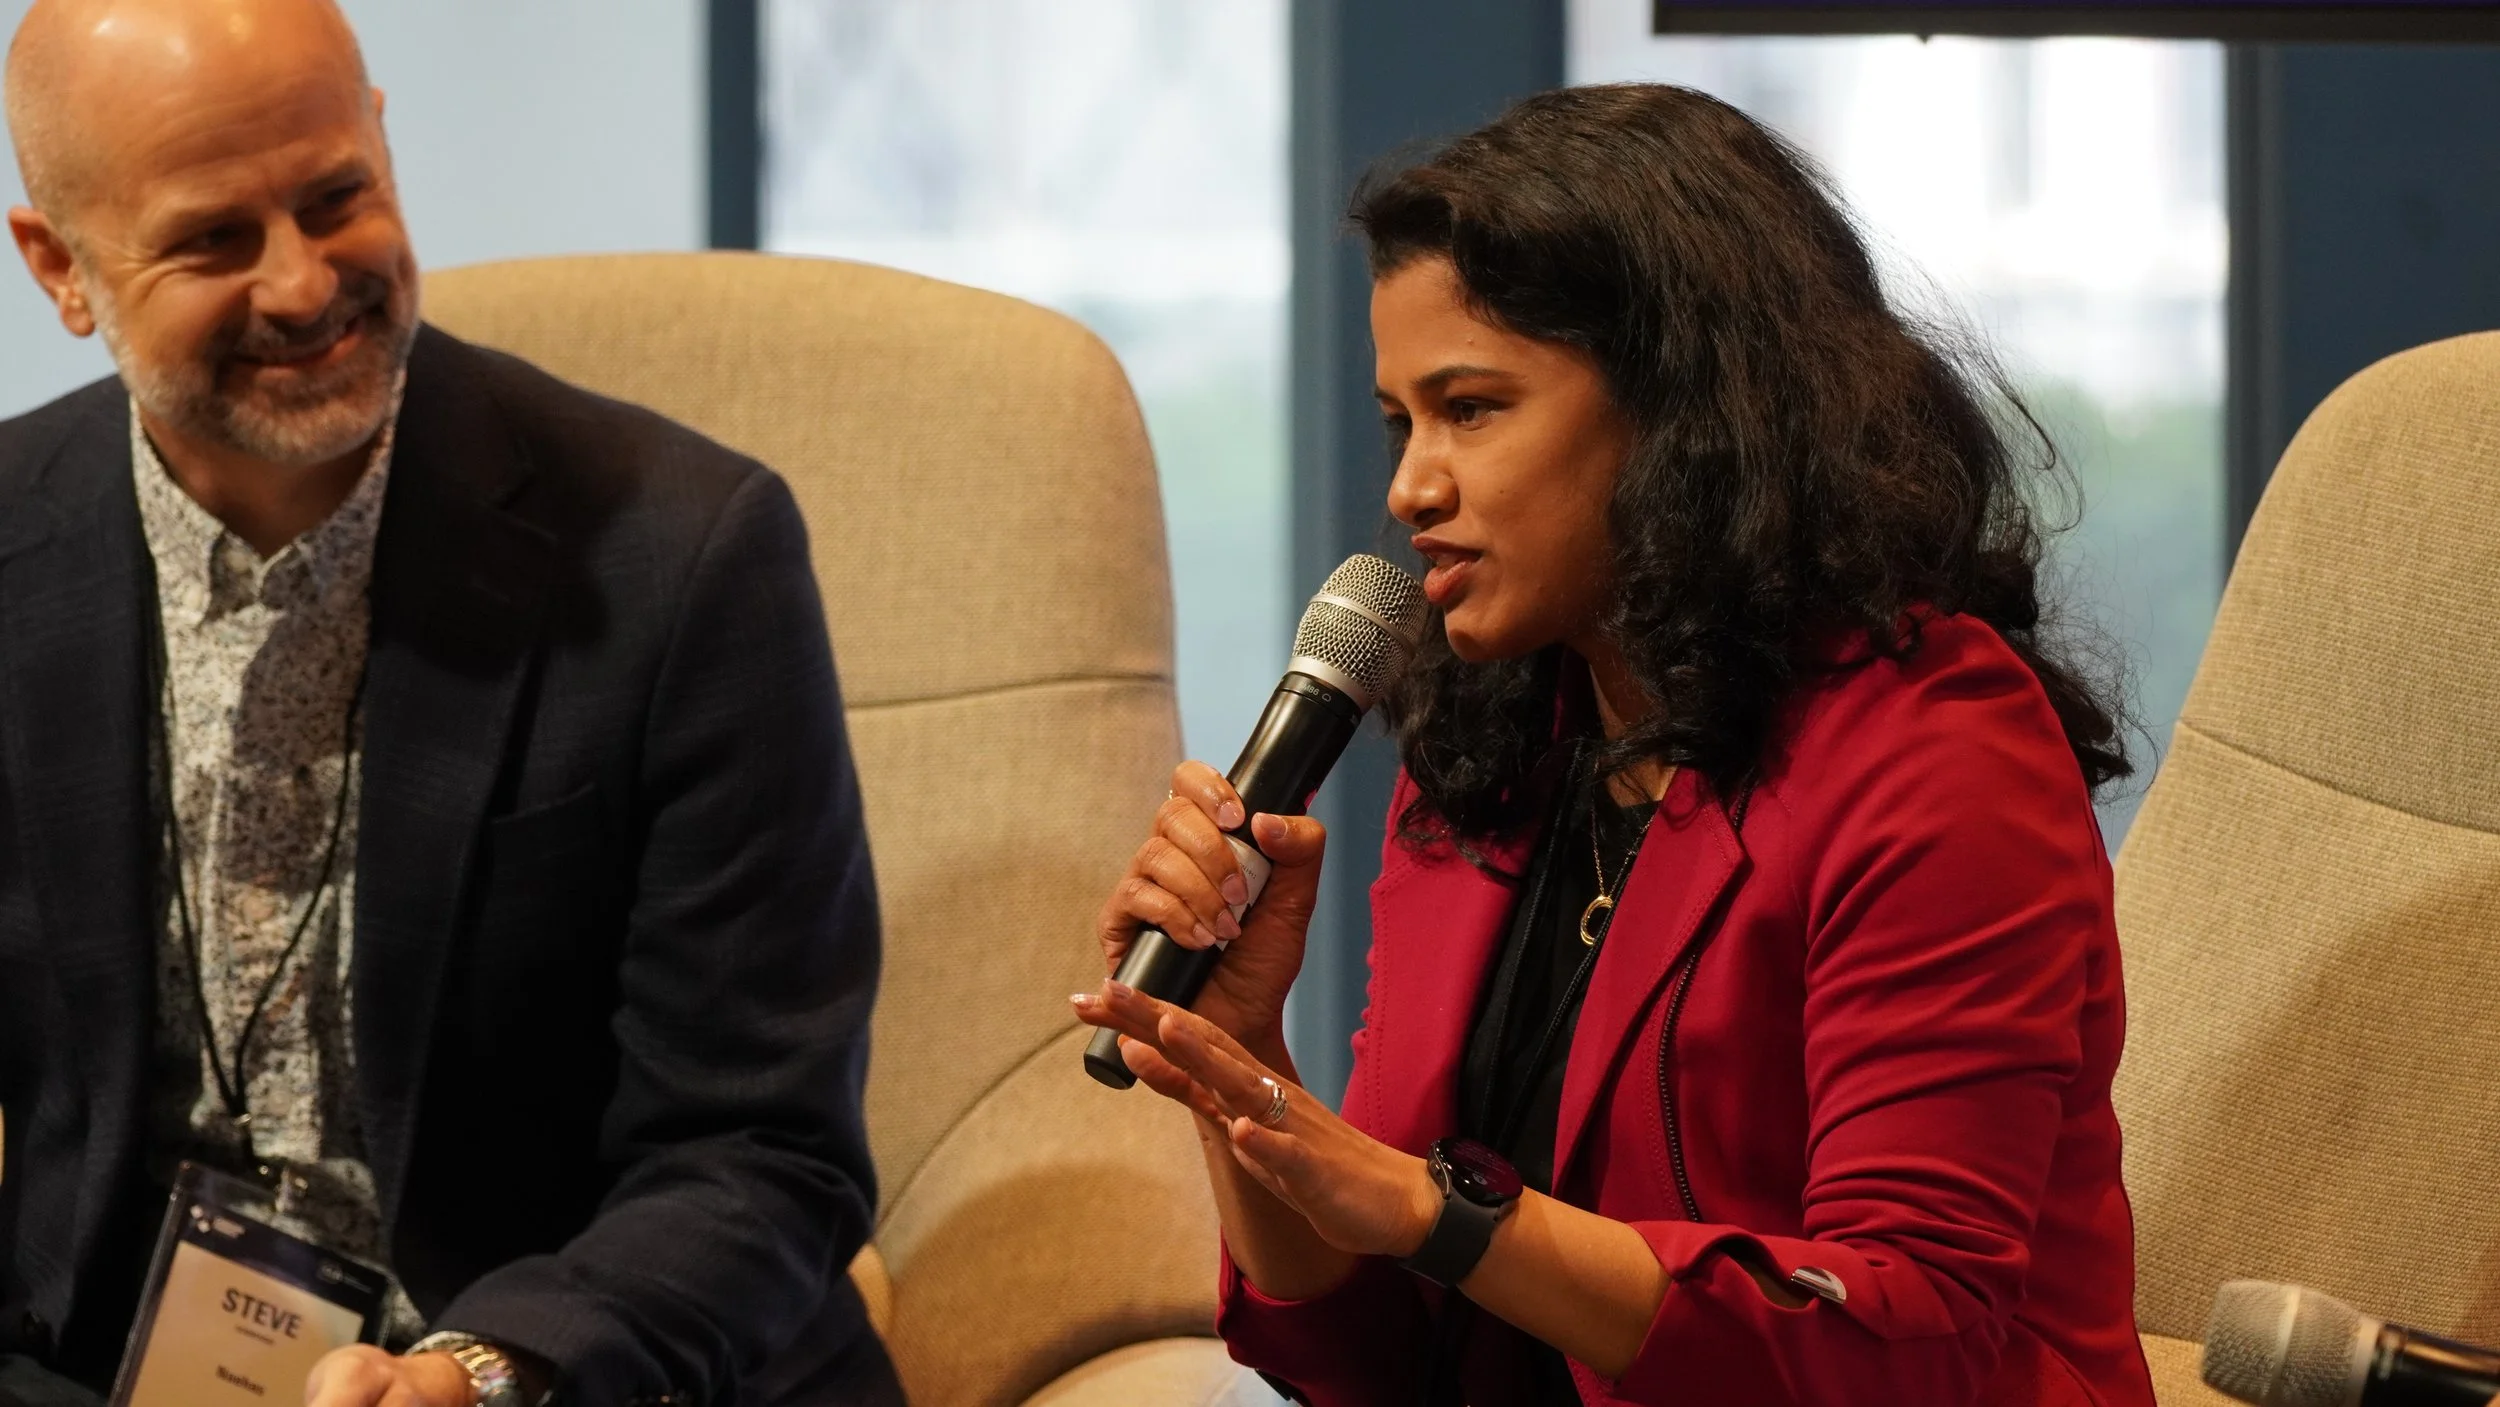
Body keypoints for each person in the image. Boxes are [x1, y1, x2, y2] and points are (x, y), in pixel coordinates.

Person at [1074, 84, 2159, 1407]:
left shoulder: (1939, 758)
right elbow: (1383, 1361)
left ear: (1679, 409)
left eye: (1470, 408)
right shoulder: (1491, 745)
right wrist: (1244, 1069)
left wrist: (1440, 1214)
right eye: (1398, 420)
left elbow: (1903, 1339)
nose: (1412, 485)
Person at [0, 1, 896, 1404]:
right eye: (216, 239)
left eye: (335, 197)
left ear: (382, 144)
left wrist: (487, 1370)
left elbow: (759, 1147)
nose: (302, 285)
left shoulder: (685, 554)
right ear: (60, 265)